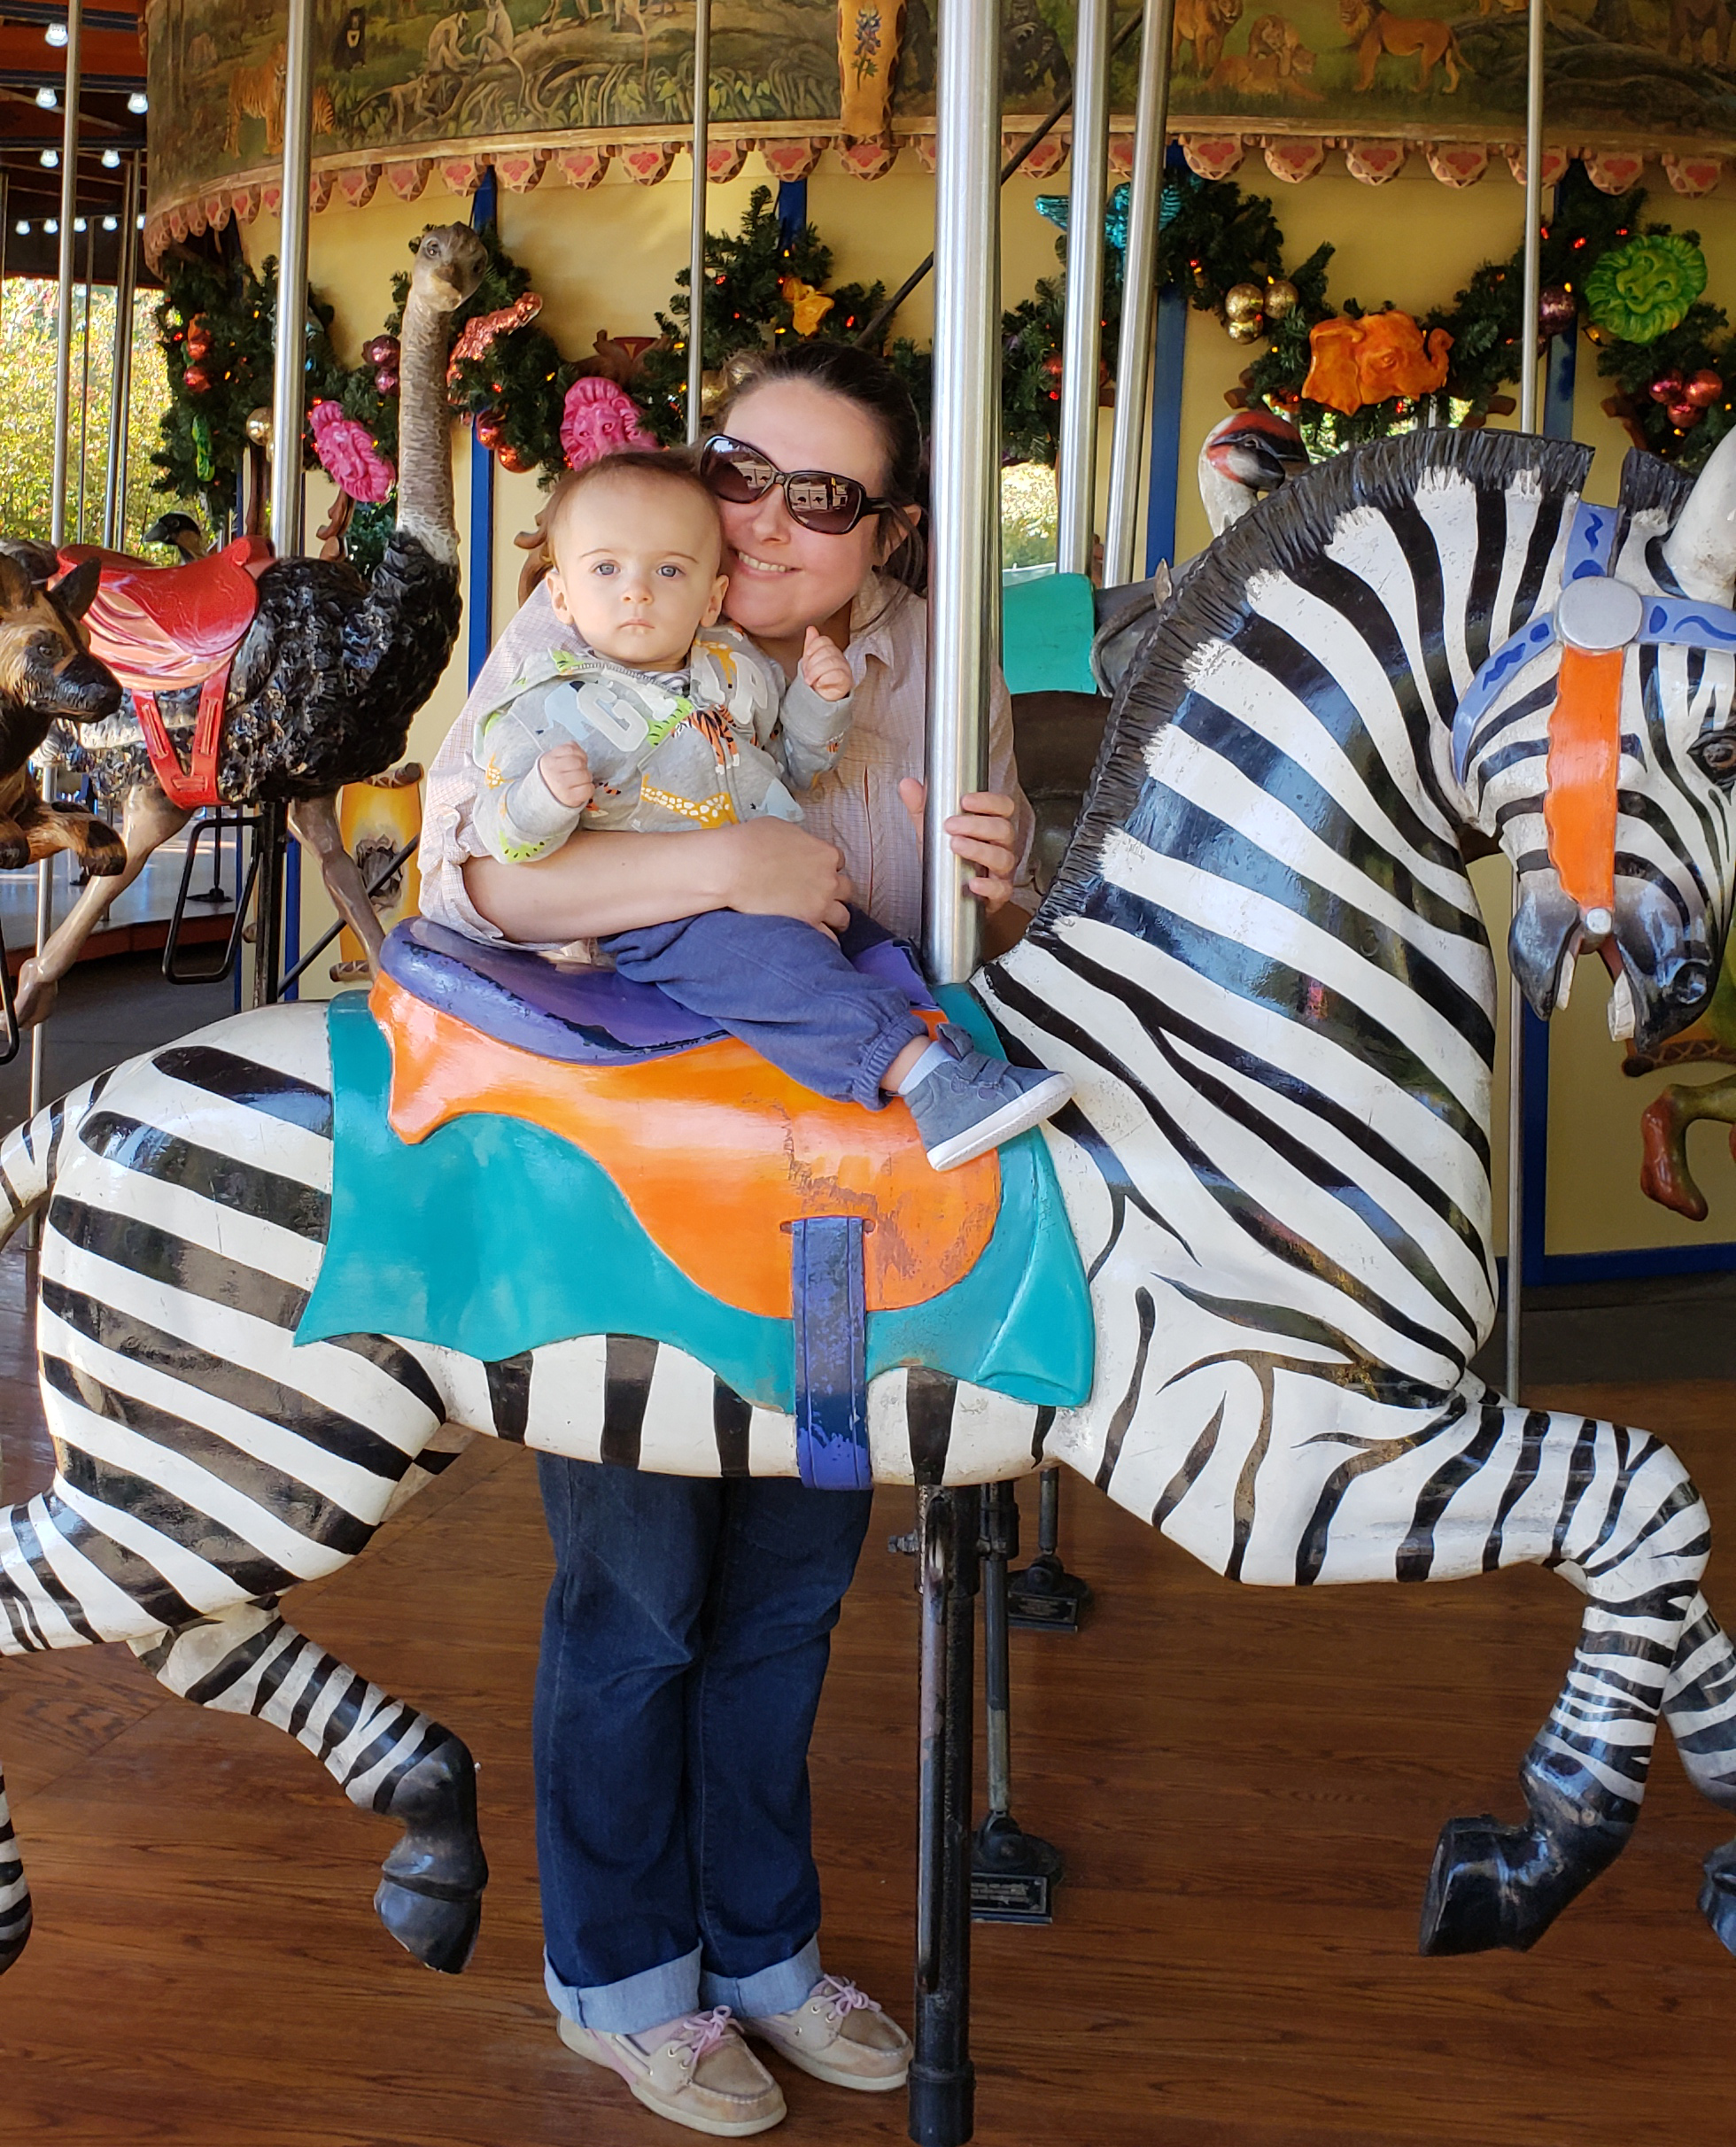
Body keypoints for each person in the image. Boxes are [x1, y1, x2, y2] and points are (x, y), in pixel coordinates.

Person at [419, 340, 1041, 2137]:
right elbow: (475, 887)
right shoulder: (579, 613)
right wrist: (719, 871)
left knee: (784, 1594)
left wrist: (1005, 878)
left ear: (887, 533)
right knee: (636, 1601)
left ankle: (763, 1950)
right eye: (737, 468)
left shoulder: (929, 663)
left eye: (817, 497)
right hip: (625, 1196)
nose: (757, 516)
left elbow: (947, 934)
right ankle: (623, 1976)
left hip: (840, 1211)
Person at [458, 448, 1071, 1169]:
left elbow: (788, 770)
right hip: (666, 920)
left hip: (789, 894)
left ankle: (947, 1046)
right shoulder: (543, 699)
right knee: (779, 973)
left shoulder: (726, 671)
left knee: (870, 946)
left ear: (709, 596)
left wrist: (819, 707)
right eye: (606, 571)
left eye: (668, 572)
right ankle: (928, 1081)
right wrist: (541, 799)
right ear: (562, 596)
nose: (636, 593)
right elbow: (493, 839)